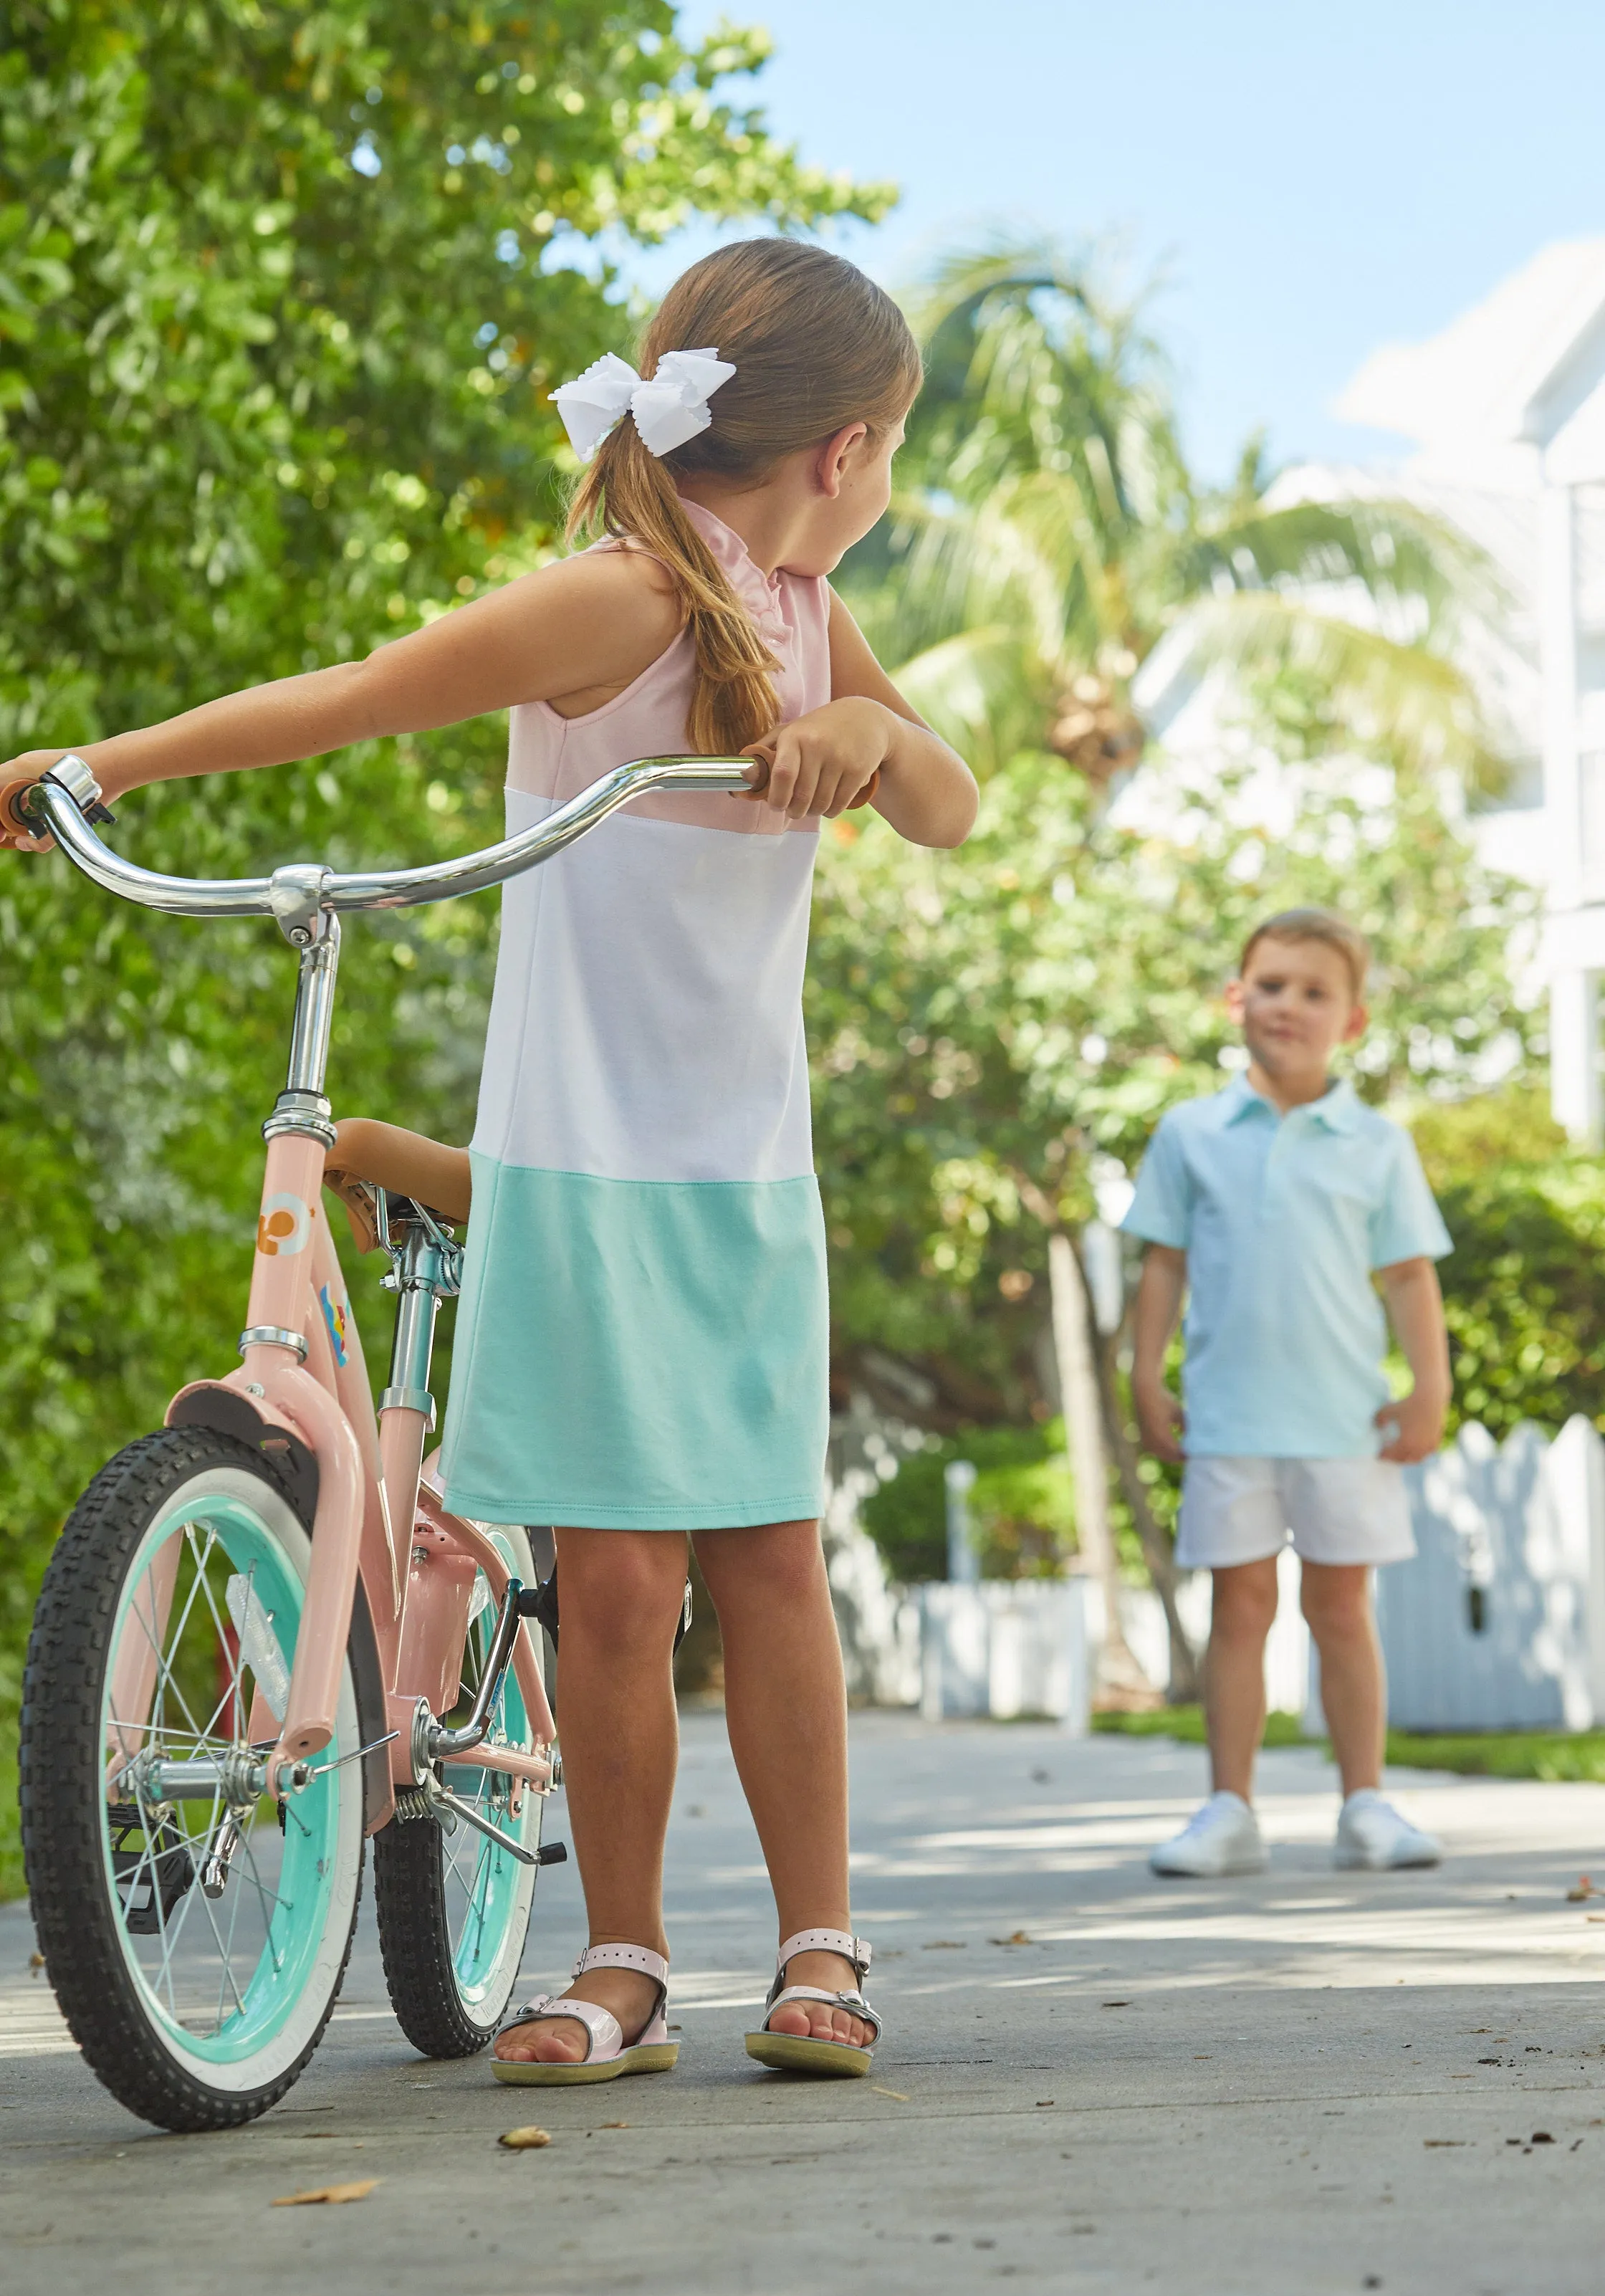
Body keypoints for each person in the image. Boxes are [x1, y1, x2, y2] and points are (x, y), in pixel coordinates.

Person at [1, 238, 979, 2080]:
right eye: (897, 456)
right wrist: (107, 770)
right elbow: (364, 691)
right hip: (586, 1165)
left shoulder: (797, 611)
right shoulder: (626, 603)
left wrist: (868, 732)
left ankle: (822, 1953)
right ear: (846, 452)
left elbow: (949, 800)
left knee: (768, 1562)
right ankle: (621, 1958)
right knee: (612, 1587)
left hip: (743, 1176)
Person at [1124, 908, 1452, 1878]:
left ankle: (1366, 1805)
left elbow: (1408, 1278)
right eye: (1271, 985)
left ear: (1351, 1022)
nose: (1288, 1006)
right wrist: (1146, 1376)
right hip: (1227, 1419)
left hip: (1344, 1423)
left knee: (1343, 1610)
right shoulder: (1190, 1133)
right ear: (1237, 997)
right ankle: (1229, 1809)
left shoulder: (1377, 1142)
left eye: (1315, 992)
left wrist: (1428, 1385)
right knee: (1241, 1607)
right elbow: (1163, 1267)